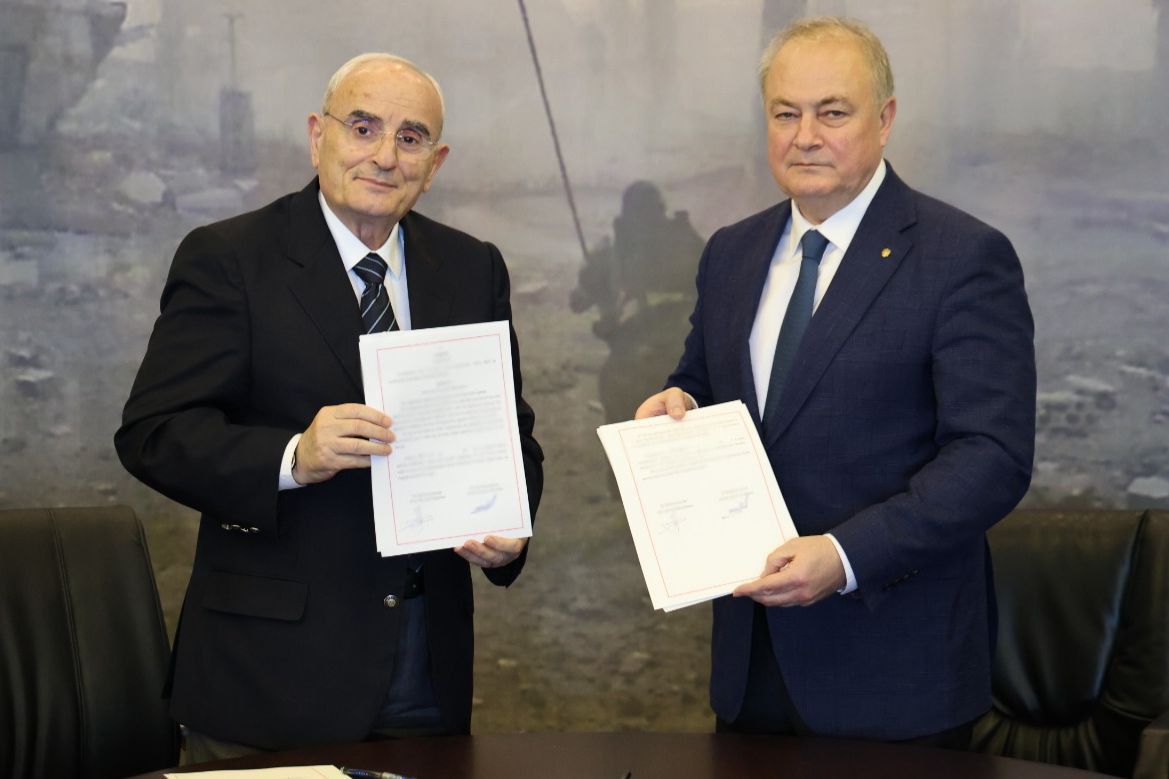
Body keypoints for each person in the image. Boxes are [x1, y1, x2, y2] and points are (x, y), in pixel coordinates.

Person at [115, 53, 544, 759]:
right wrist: (293, 457)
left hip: (423, 670)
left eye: (410, 138)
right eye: (363, 128)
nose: (385, 156)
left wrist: (510, 526)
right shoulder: (229, 257)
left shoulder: (472, 267)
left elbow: (512, 435)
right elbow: (153, 433)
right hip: (268, 674)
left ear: (434, 164)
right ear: (319, 137)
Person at [635, 17, 1035, 745]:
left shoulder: (963, 257)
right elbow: (702, 379)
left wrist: (847, 555)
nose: (805, 136)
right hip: (751, 667)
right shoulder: (730, 252)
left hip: (894, 673)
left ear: (885, 119)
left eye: (832, 112)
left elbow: (991, 457)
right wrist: (680, 402)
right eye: (785, 113)